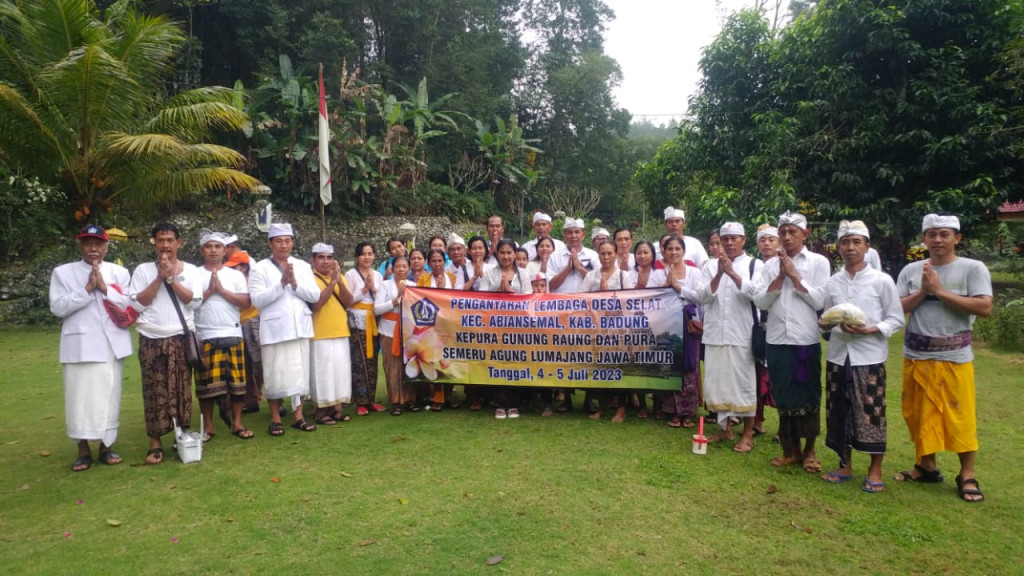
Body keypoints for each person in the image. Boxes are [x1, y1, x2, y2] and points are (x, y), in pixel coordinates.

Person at [895, 213, 992, 502]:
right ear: (923, 238)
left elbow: (984, 306)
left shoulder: (972, 269)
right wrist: (924, 292)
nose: (937, 240)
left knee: (959, 416)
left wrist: (939, 291)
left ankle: (967, 474)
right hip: (917, 354)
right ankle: (926, 466)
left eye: (944, 234)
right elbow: (897, 306)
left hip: (955, 356)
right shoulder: (911, 271)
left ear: (957, 238)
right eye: (932, 234)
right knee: (918, 413)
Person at [819, 220, 904, 493]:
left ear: (867, 246)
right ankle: (845, 463)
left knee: (872, 413)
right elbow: (827, 317)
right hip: (838, 356)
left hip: (869, 357)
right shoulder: (833, 282)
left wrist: (871, 329)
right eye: (845, 242)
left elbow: (896, 318)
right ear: (838, 248)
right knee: (838, 410)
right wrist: (827, 324)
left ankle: (875, 468)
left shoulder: (882, 281)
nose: (850, 248)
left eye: (856, 242)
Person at [49, 224, 133, 471]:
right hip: (80, 345)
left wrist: (104, 287)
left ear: (106, 246)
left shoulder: (119, 272)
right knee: (79, 397)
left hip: (111, 344)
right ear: (80, 246)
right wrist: (87, 289)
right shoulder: (63, 273)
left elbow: (129, 304)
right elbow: (57, 308)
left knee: (109, 394)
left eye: (98, 244)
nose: (93, 249)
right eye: (88, 243)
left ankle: (106, 446)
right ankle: (83, 448)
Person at [753, 211, 831, 473]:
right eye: (782, 232)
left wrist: (795, 276)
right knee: (784, 395)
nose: (786, 237)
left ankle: (809, 451)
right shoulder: (769, 266)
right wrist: (781, 276)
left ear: (805, 234)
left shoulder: (819, 262)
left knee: (808, 393)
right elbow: (761, 302)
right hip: (776, 339)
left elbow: (820, 301)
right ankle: (790, 450)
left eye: (792, 232)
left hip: (804, 340)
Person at [129, 222, 204, 464]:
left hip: (180, 338)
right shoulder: (142, 270)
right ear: (154, 243)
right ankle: (155, 443)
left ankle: (180, 434)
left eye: (170, 240)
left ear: (178, 243)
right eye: (160, 240)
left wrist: (172, 279)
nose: (165, 245)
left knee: (181, 390)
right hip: (152, 338)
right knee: (154, 390)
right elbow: (138, 303)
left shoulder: (190, 270)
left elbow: (194, 302)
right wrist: (159, 278)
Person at [249, 223, 320, 436]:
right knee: (274, 373)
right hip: (275, 329)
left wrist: (295, 284)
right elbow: (257, 300)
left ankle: (298, 416)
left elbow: (314, 295)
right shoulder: (259, 267)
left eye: (287, 241)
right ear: (270, 243)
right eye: (279, 241)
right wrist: (281, 284)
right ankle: (275, 418)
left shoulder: (301, 266)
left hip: (299, 326)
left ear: (293, 243)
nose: (283, 245)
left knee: (300, 372)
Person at [697, 222, 762, 452]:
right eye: (725, 239)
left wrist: (732, 274)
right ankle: (725, 430)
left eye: (735, 238)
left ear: (744, 240)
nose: (730, 243)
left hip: (741, 334)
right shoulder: (709, 266)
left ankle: (747, 434)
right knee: (718, 383)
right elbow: (702, 296)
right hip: (715, 333)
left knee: (743, 384)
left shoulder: (755, 265)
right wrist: (718, 274)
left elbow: (759, 296)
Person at [193, 230, 254, 441]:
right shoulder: (194, 274)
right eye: (209, 246)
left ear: (224, 250)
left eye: (217, 247)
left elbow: (246, 302)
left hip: (232, 332)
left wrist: (222, 291)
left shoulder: (235, 275)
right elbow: (189, 303)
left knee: (237, 384)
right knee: (206, 386)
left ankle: (237, 423)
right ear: (202, 250)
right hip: (205, 334)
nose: (213, 250)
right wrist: (210, 291)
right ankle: (209, 427)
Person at [580, 241, 635, 421]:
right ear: (598, 255)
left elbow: (629, 302)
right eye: (602, 253)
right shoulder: (591, 276)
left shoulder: (622, 276)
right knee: (601, 368)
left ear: (616, 254)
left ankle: (621, 408)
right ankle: (603, 407)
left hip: (617, 330)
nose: (606, 257)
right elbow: (580, 299)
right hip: (597, 330)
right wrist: (598, 297)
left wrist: (607, 299)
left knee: (619, 368)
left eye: (609, 253)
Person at [481, 238, 532, 419]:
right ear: (497, 254)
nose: (506, 256)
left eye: (509, 252)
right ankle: (500, 403)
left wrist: (510, 292)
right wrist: (499, 293)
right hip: (495, 327)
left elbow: (528, 299)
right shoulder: (489, 273)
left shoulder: (524, 274)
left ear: (514, 254)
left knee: (515, 364)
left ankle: (514, 403)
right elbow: (482, 298)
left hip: (517, 327)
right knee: (498, 363)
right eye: (502, 252)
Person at [310, 243, 355, 425]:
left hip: (340, 330)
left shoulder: (339, 276)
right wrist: (332, 283)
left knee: (339, 371)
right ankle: (321, 409)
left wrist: (338, 281)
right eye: (321, 257)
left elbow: (349, 301)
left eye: (329, 258)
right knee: (323, 373)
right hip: (320, 332)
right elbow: (316, 304)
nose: (326, 261)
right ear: (313, 260)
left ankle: (337, 407)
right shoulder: (310, 278)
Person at [662, 235, 705, 429]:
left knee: (690, 367)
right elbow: (654, 298)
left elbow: (700, 297)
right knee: (671, 367)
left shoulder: (694, 273)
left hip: (689, 325)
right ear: (664, 252)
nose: (673, 252)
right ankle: (672, 411)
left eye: (677, 249)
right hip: (668, 326)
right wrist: (664, 287)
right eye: (670, 249)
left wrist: (677, 287)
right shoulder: (659, 272)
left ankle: (688, 412)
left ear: (684, 251)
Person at [374, 255, 419, 415]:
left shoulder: (413, 285)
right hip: (389, 330)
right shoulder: (385, 286)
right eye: (398, 266)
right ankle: (395, 401)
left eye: (404, 266)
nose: (401, 269)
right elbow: (377, 309)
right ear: (392, 269)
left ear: (409, 269)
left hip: (408, 331)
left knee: (409, 365)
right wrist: (395, 300)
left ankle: (410, 399)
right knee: (392, 366)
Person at [345, 242, 386, 416]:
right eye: (363, 254)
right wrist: (364, 289)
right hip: (357, 321)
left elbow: (382, 298)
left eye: (370, 253)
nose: (367, 257)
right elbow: (348, 300)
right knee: (358, 361)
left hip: (373, 320)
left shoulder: (377, 275)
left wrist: (373, 288)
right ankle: (360, 401)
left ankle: (371, 399)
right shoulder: (350, 274)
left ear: (374, 256)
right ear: (357, 257)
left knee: (372, 362)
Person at [225, 251, 264, 414]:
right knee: (245, 366)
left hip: (253, 323)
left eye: (235, 266)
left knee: (260, 364)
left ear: (244, 267)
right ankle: (251, 399)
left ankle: (274, 399)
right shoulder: (235, 281)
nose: (232, 270)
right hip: (239, 326)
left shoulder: (251, 281)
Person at [753, 224, 780, 436]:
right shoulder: (755, 267)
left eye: (771, 239)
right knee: (757, 375)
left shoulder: (784, 266)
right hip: (759, 326)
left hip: (781, 327)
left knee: (779, 377)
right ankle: (757, 420)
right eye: (763, 240)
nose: (767, 244)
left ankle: (784, 425)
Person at [548, 218, 598, 293]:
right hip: (562, 302)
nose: (573, 236)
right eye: (569, 233)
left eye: (577, 232)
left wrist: (580, 268)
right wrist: (567, 269)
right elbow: (550, 285)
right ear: (564, 235)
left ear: (583, 235)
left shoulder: (593, 255)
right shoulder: (555, 256)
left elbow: (598, 282)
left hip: (586, 302)